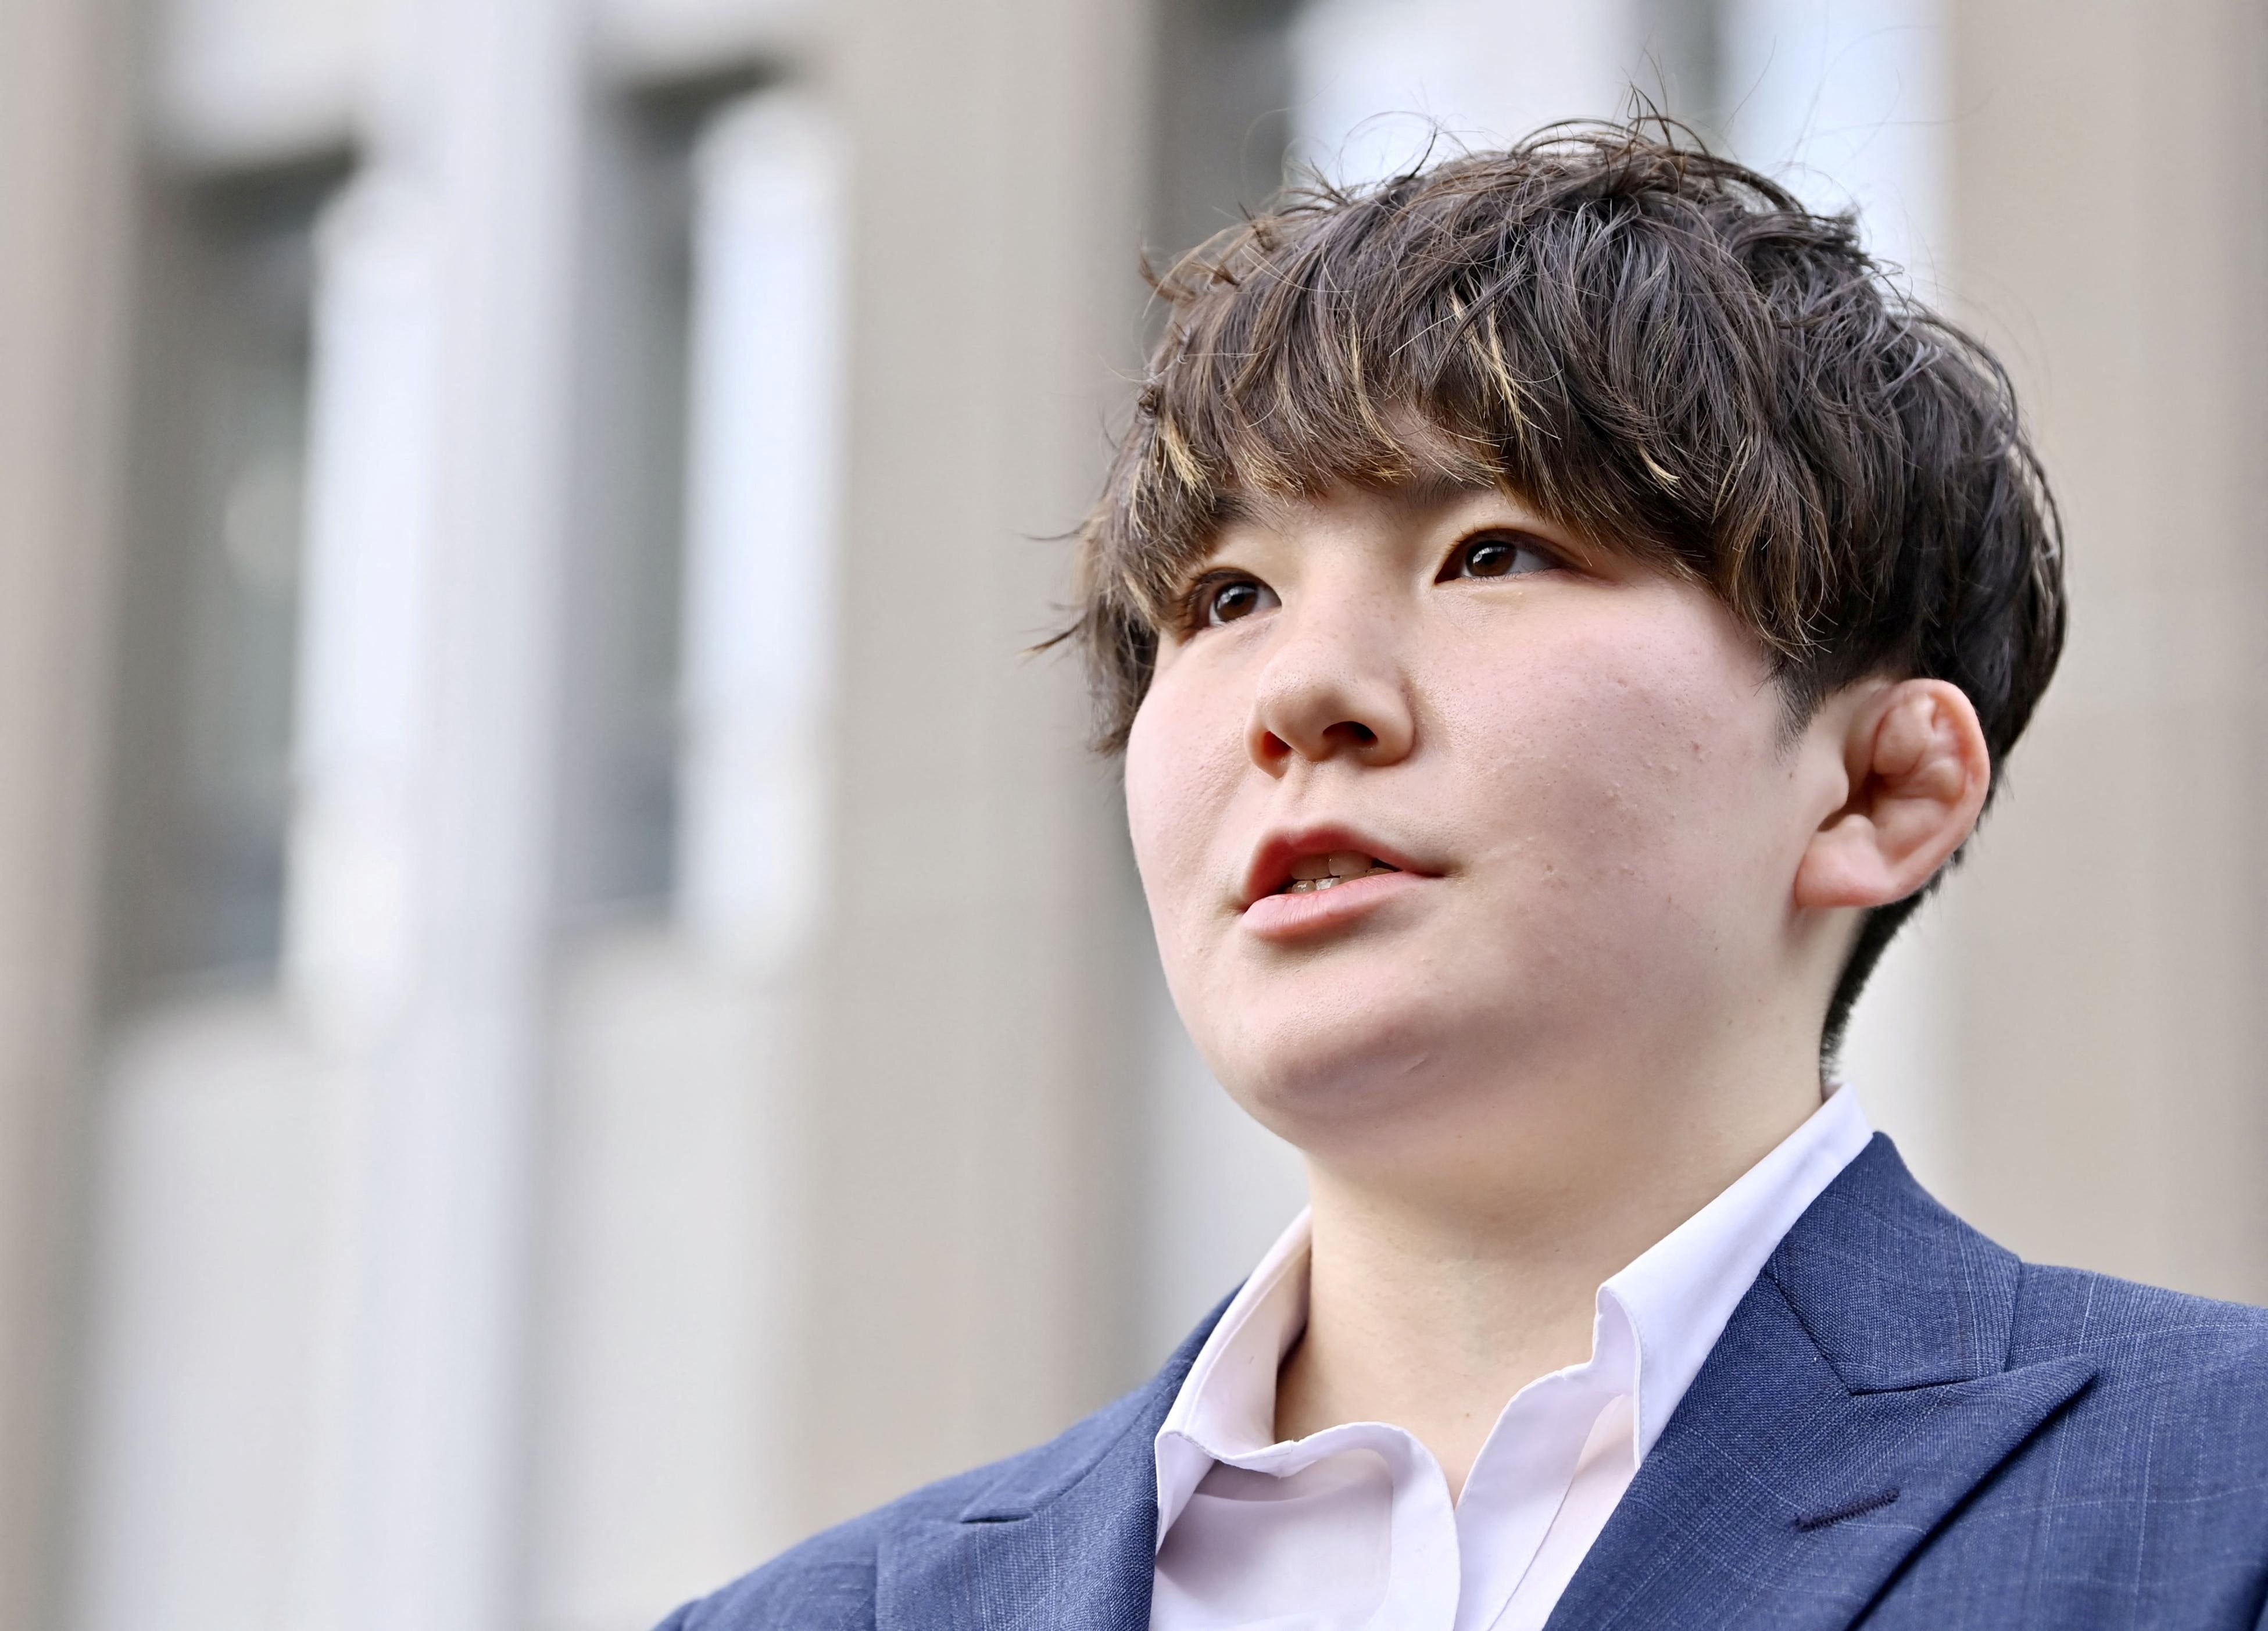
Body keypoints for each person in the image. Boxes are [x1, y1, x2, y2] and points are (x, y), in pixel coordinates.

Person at [661, 126, 2268, 1630]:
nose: (1303, 694)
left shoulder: (2219, 1499)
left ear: (1873, 788)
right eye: (1226, 599)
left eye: (1492, 552)